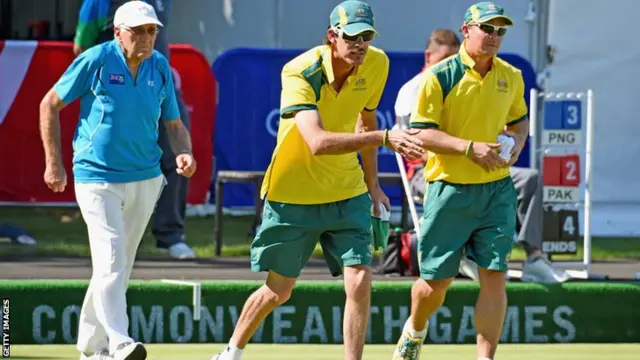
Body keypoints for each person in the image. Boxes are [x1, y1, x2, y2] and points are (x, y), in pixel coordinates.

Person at [209, 1, 424, 360]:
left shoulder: (377, 63)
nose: (360, 45)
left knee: (359, 279)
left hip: (347, 190)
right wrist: (385, 139)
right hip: (293, 193)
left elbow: (365, 121)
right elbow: (319, 142)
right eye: (352, 37)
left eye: (367, 36)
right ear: (332, 36)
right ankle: (231, 351)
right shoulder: (299, 71)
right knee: (278, 290)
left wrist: (372, 185)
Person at [39, 2, 196, 359]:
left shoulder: (160, 66)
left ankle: (90, 349)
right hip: (97, 177)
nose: (146, 37)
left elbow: (173, 124)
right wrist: (54, 163)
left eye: (152, 30)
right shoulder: (95, 60)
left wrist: (184, 152)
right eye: (138, 30)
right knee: (111, 261)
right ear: (118, 33)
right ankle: (120, 341)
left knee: (117, 267)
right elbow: (49, 104)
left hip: (146, 177)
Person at [391, 2, 529, 359]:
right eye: (488, 28)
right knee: (434, 284)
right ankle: (415, 330)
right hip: (448, 189)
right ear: (468, 30)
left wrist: (516, 146)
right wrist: (470, 149)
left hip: (496, 190)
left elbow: (519, 121)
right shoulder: (441, 75)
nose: (495, 36)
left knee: (495, 275)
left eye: (501, 30)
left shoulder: (511, 75)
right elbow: (422, 134)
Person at [394, 29, 568, 284]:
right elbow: (414, 142)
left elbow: (512, 125)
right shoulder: (415, 89)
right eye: (443, 58)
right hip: (429, 172)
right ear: (428, 56)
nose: (450, 64)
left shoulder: (484, 80)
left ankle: (535, 259)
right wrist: (462, 150)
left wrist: (510, 143)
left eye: (454, 57)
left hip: (483, 164)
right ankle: (466, 255)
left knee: (528, 179)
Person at [73, 0, 196, 260]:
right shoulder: (100, 2)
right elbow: (81, 43)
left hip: (158, 86)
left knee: (178, 152)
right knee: (115, 160)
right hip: (115, 91)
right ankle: (118, 234)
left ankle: (171, 234)